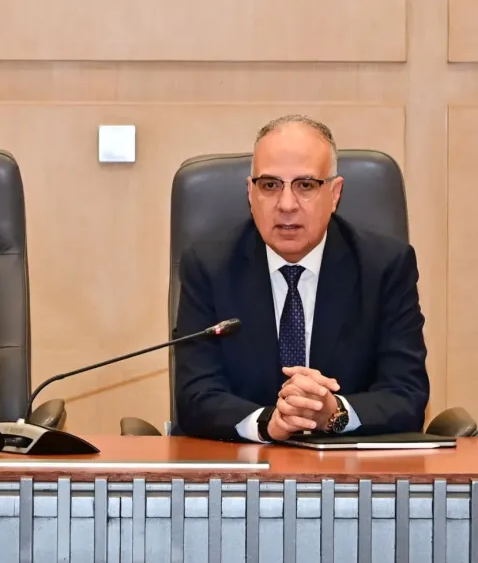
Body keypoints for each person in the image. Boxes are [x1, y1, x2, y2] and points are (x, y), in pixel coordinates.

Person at [173, 115, 429, 442]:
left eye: (305, 185)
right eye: (270, 185)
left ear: (335, 193)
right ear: (250, 193)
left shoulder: (385, 267)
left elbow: (407, 394)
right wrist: (268, 422)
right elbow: (195, 394)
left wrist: (335, 412)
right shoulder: (209, 266)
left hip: (347, 467)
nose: (286, 205)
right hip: (241, 464)